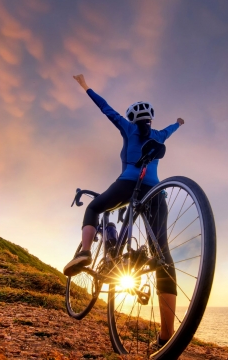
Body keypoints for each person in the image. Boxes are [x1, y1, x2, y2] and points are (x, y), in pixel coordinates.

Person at [63, 74, 184, 346]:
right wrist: (177, 123)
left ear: (132, 120)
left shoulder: (127, 127)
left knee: (94, 207)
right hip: (156, 191)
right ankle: (166, 335)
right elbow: (170, 130)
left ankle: (84, 253)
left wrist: (85, 86)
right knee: (163, 253)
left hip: (128, 183)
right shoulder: (158, 133)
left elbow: (106, 108)